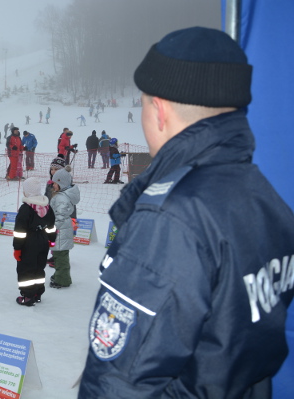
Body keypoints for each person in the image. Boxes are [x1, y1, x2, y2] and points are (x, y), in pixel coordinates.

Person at [78, 27, 294, 399]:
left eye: (142, 103)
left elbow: (120, 382)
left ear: (158, 110)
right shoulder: (264, 196)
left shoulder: (171, 218)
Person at [13, 177, 56, 306]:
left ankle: (28, 296)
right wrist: (51, 240)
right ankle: (37, 292)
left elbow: (20, 231)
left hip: (29, 243)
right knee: (39, 267)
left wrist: (17, 248)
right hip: (43, 241)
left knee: (26, 269)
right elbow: (51, 226)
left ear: (28, 192)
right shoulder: (47, 206)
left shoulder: (26, 208)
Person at [48, 168, 80, 288]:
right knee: (59, 256)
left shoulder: (62, 198)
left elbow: (60, 217)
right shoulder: (62, 195)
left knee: (61, 259)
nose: (53, 185)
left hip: (60, 232)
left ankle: (62, 280)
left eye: (55, 183)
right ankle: (59, 276)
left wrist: (52, 228)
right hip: (61, 232)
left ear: (62, 183)